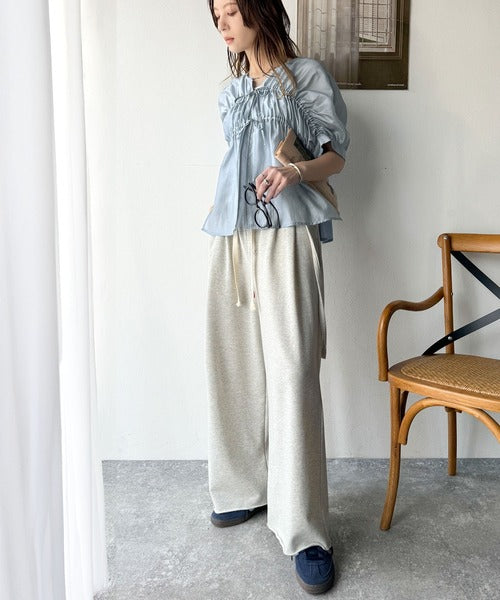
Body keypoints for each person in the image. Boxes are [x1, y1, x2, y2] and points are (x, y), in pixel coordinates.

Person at [203, 0, 349, 594]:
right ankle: (245, 487)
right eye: (216, 16)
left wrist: (294, 172)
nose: (223, 24)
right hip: (233, 236)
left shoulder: (306, 78)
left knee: (292, 372)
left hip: (288, 234)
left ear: (260, 10)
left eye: (231, 12)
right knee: (233, 365)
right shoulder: (229, 93)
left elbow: (337, 157)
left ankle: (306, 528)